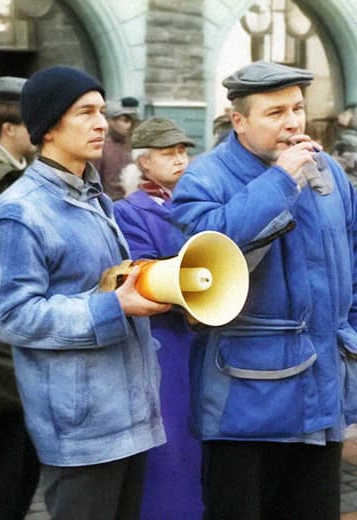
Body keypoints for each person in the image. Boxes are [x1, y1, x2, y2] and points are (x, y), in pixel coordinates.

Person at [171, 60, 357, 520]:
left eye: (297, 108)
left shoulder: (330, 173)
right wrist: (280, 181)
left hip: (322, 399)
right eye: (275, 113)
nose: (293, 122)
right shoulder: (204, 178)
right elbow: (205, 263)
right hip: (245, 404)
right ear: (239, 121)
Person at [0, 65, 169, 520]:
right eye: (85, 112)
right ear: (49, 127)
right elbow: (11, 315)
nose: (101, 123)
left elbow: (104, 281)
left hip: (130, 413)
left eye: (102, 110)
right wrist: (112, 307)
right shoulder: (20, 211)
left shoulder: (95, 197)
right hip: (80, 428)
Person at [114, 117, 203, 520]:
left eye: (183, 152)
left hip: (196, 339)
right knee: (171, 448)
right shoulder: (128, 210)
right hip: (163, 340)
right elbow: (143, 273)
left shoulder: (194, 201)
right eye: (169, 154)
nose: (180, 160)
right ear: (144, 163)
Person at [0, 76, 40, 520]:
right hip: (4, 360)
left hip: (13, 354)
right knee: (9, 479)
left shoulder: (17, 173)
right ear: (9, 127)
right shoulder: (6, 180)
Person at [92, 97, 139, 200]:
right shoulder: (100, 146)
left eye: (131, 121)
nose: (129, 125)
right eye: (125, 120)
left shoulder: (130, 144)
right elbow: (93, 184)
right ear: (110, 121)